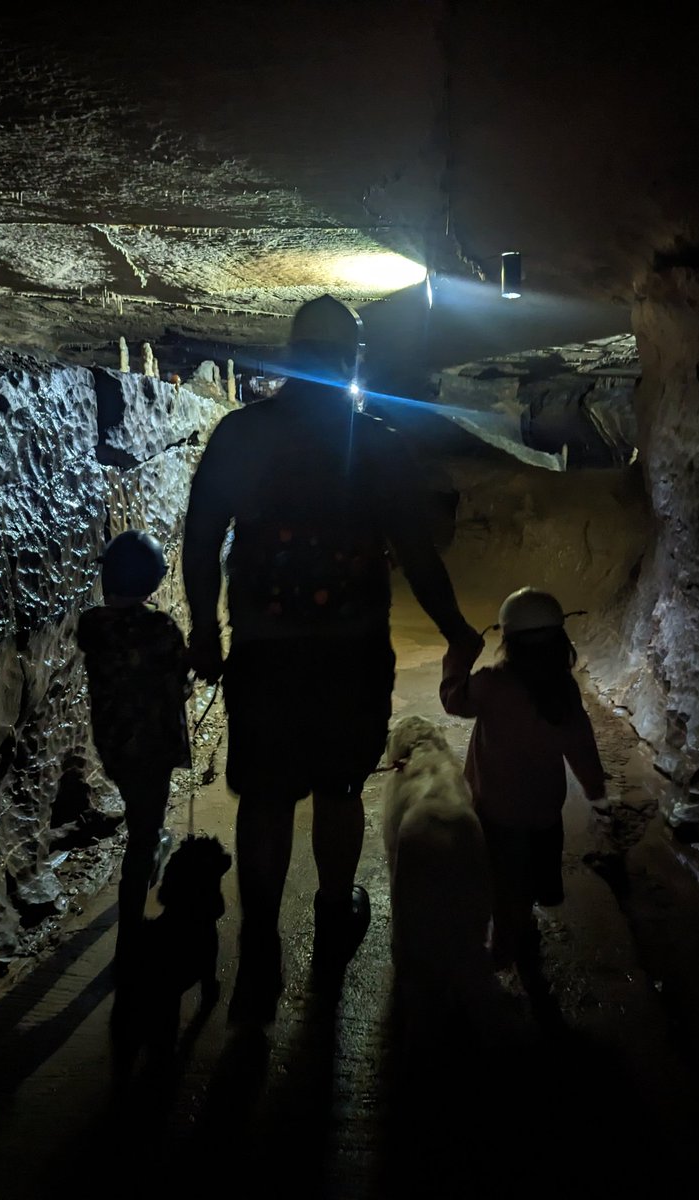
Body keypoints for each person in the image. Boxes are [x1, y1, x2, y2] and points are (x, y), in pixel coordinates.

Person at [182, 294, 479, 1021]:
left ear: (287, 356)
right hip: (349, 654)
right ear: (352, 362)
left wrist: (203, 631)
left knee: (265, 796)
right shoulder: (377, 443)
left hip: (265, 651)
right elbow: (416, 552)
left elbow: (200, 538)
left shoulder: (240, 434)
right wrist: (456, 630)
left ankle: (259, 943)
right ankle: (332, 909)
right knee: (340, 789)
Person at [440, 586, 607, 970]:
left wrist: (458, 658)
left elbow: (453, 699)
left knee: (501, 882)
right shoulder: (563, 692)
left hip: (495, 811)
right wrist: (594, 787)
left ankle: (502, 951)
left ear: (508, 641)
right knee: (530, 876)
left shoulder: (490, 684)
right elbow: (581, 744)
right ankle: (521, 924)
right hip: (544, 813)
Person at [77, 529, 192, 979]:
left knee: (141, 815)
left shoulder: (91, 625)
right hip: (154, 748)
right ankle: (129, 940)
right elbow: (180, 682)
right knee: (142, 838)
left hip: (116, 748)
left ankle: (151, 852)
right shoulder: (161, 628)